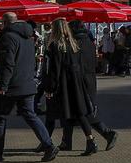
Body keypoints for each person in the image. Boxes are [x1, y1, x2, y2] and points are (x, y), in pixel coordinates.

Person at [0, 12, 56, 162]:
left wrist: (2, 86)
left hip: (12, 85)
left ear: (5, 22)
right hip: (27, 83)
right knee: (30, 115)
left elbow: (8, 64)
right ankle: (49, 145)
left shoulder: (8, 37)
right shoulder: (28, 37)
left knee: (0, 117)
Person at [40, 19, 110, 156]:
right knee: (79, 112)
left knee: (58, 113)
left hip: (64, 83)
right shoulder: (73, 44)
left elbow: (55, 70)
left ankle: (49, 142)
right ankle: (90, 140)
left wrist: (50, 88)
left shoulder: (56, 45)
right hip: (76, 82)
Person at [55, 20, 116, 152]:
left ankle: (107, 133)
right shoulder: (89, 41)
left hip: (80, 80)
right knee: (75, 109)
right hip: (90, 78)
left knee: (83, 110)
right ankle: (66, 140)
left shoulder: (76, 43)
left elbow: (75, 63)